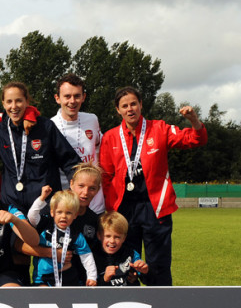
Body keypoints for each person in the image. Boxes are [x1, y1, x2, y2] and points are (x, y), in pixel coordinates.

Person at [99, 86, 207, 286]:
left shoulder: (160, 129)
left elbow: (195, 139)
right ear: (118, 110)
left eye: (133, 104)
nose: (130, 109)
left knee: (158, 264)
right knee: (125, 264)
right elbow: (106, 176)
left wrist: (193, 120)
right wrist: (111, 209)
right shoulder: (110, 137)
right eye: (125, 106)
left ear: (141, 105)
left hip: (155, 208)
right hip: (124, 211)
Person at [0, 81, 81, 213]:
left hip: (45, 204)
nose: (14, 106)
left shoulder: (45, 127)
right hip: (12, 204)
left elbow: (70, 162)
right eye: (9, 101)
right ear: (3, 103)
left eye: (19, 101)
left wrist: (78, 189)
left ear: (27, 101)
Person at [19, 163, 103, 285]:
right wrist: (52, 253)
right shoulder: (52, 209)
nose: (85, 192)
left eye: (92, 188)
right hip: (45, 278)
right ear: (71, 184)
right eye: (81, 186)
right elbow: (21, 244)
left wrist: (92, 277)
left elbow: (90, 255)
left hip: (76, 281)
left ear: (98, 190)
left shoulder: (94, 220)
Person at [52, 74, 105, 213]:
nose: (72, 101)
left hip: (94, 204)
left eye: (77, 96)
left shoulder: (92, 119)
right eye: (67, 96)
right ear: (57, 98)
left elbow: (100, 146)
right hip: (66, 206)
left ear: (84, 97)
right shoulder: (50, 126)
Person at [27, 189, 97, 287]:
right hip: (43, 278)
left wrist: (92, 276)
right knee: (44, 298)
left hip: (68, 278)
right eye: (59, 212)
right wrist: (42, 198)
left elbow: (87, 256)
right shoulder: (45, 224)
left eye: (68, 213)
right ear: (52, 213)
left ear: (75, 215)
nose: (63, 216)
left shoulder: (76, 235)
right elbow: (32, 216)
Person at [94, 211, 148, 286]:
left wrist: (144, 272)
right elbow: (89, 290)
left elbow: (147, 281)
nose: (112, 241)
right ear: (99, 235)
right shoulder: (93, 257)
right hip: (104, 297)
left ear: (124, 238)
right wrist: (104, 279)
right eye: (108, 236)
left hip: (129, 296)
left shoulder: (131, 254)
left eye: (117, 237)